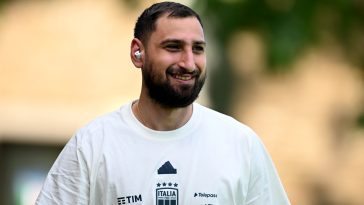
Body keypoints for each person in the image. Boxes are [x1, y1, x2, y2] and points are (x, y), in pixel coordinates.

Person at [36, 1, 291, 205]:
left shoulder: (240, 145)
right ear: (138, 53)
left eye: (198, 49)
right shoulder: (93, 146)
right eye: (173, 47)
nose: (189, 63)